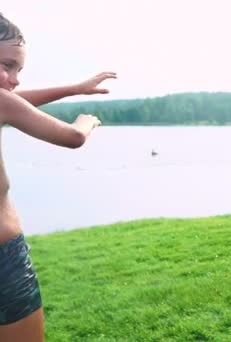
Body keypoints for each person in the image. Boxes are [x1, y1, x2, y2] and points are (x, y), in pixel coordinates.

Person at [0, 13, 116, 341]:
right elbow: (72, 138)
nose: (15, 79)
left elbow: (14, 103)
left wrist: (74, 88)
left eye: (19, 70)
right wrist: (87, 120)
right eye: (7, 65)